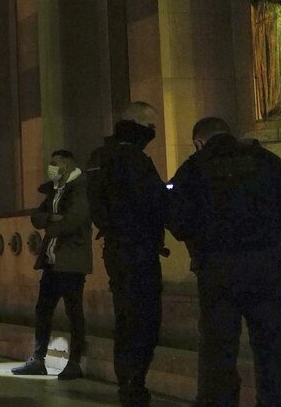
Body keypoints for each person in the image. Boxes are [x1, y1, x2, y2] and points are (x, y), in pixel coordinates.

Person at [168, 117, 281, 407]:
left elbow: (178, 223)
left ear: (199, 141)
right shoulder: (266, 160)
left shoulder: (193, 168)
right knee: (271, 348)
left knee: (219, 350)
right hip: (267, 267)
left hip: (218, 270)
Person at [86, 101, 168, 406]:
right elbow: (154, 201)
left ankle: (127, 383)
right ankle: (135, 384)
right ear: (137, 126)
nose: (152, 135)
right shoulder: (133, 159)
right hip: (138, 250)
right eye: (150, 128)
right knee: (144, 320)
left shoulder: (99, 158)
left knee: (125, 318)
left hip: (115, 249)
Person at [11, 150, 92, 380]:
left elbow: (74, 220)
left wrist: (53, 221)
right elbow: (37, 216)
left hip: (71, 262)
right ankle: (38, 359)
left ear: (67, 165)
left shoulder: (80, 188)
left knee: (73, 312)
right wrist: (51, 218)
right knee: (43, 311)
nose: (50, 167)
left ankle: (74, 362)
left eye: (54, 163)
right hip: (52, 262)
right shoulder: (56, 190)